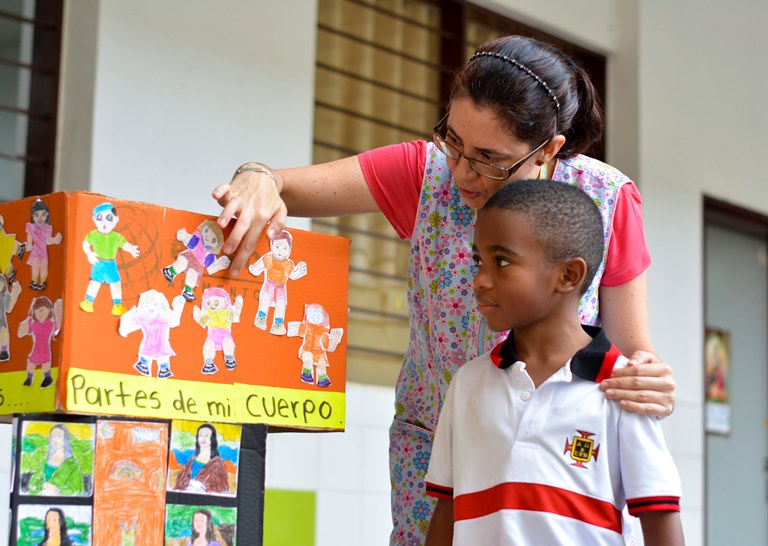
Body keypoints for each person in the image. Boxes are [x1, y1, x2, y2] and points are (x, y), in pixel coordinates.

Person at [212, 34, 677, 544]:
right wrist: (256, 179)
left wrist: (650, 383)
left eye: (487, 158)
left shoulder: (605, 201)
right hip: (436, 446)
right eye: (453, 140)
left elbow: (636, 359)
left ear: (548, 150)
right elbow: (279, 183)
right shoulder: (426, 173)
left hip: (557, 455)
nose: (461, 171)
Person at [424, 180, 683, 545]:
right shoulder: (467, 384)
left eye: (501, 261)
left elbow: (661, 522)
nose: (480, 280)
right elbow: (447, 511)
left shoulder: (624, 388)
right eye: (478, 260)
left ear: (568, 275)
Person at [79, 202, 140, 317]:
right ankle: (88, 302)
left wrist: (131, 249)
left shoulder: (116, 237)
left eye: (108, 218)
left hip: (111, 264)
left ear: (116, 219)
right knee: (95, 282)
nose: (104, 223)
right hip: (98, 263)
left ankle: (117, 305)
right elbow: (85, 244)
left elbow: (124, 244)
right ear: (94, 219)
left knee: (116, 283)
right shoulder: (93, 235)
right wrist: (89, 254)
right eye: (99, 218)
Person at [249, 229, 307, 335]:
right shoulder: (269, 258)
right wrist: (254, 268)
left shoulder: (288, 264)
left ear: (290, 249)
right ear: (272, 245)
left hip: (280, 288)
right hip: (269, 285)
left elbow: (293, 276)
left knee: (281, 304)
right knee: (265, 298)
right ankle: (261, 317)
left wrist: (299, 271)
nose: (281, 251)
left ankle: (278, 324)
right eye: (277, 247)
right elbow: (258, 267)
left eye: (285, 248)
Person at [162, 219, 230, 302]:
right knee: (182, 262)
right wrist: (184, 236)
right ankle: (170, 272)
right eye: (207, 231)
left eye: (213, 240)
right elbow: (188, 240)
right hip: (189, 256)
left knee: (192, 275)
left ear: (216, 245)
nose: (208, 237)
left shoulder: (210, 255)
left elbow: (211, 268)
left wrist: (220, 265)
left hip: (197, 266)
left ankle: (188, 290)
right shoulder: (197, 241)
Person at [27, 424, 85, 496]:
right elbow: (32, 483)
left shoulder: (72, 465)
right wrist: (44, 485)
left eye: (59, 436)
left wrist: (57, 490)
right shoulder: (45, 461)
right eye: (53, 436)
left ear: (65, 439)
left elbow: (77, 491)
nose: (55, 440)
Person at [18, 296, 63, 388]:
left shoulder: (50, 324)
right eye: (38, 312)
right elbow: (25, 330)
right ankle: (29, 378)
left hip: (45, 348)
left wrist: (59, 309)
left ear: (49, 312)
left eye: (43, 311)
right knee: (31, 362)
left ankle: (47, 377)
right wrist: (22, 330)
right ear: (34, 312)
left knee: (46, 362)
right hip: (37, 348)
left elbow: (58, 327)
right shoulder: (33, 323)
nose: (41, 315)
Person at [174, 424, 229, 494]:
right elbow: (180, 483)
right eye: (200, 435)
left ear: (212, 439)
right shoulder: (191, 461)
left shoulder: (218, 464)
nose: (203, 438)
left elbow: (222, 489)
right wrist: (190, 484)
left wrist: (202, 487)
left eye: (206, 435)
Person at [25, 199, 63, 290]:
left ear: (47, 216)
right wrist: (29, 244)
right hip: (35, 251)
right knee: (35, 263)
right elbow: (29, 235)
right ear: (33, 216)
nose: (40, 218)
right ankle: (34, 281)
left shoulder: (48, 228)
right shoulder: (31, 226)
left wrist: (55, 240)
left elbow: (48, 241)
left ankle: (42, 282)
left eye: (43, 215)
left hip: (44, 252)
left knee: (44, 266)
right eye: (36, 215)